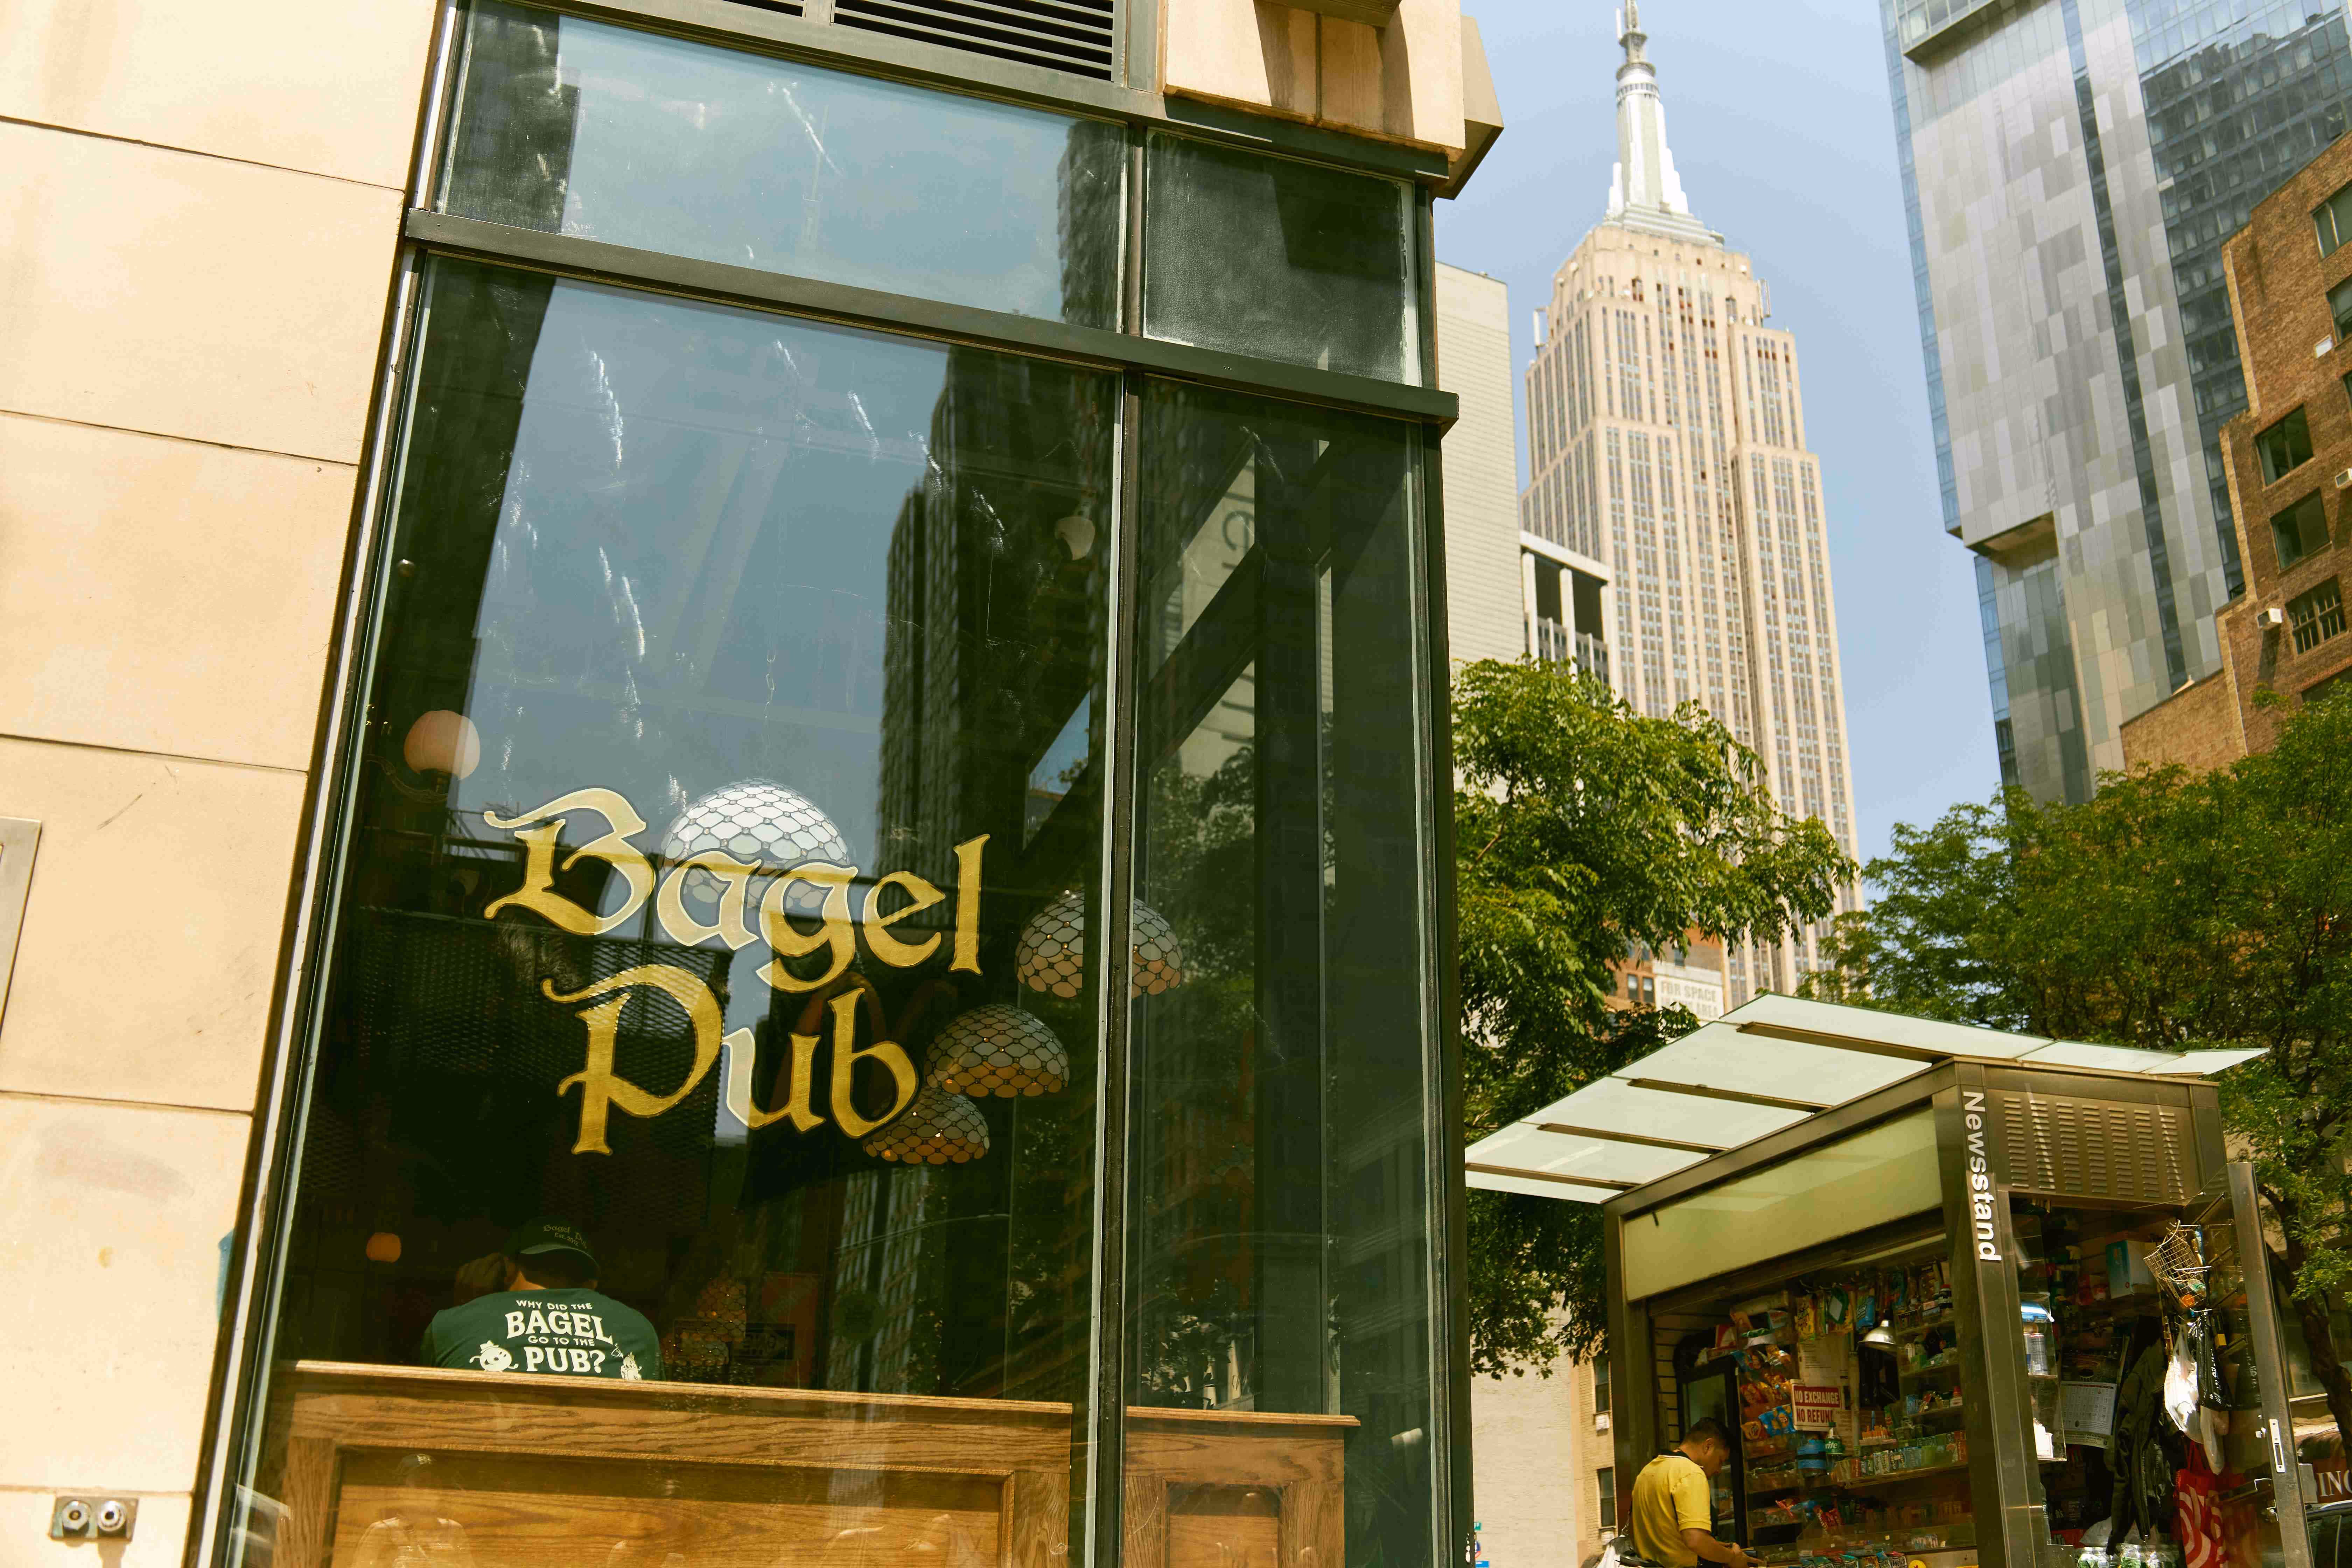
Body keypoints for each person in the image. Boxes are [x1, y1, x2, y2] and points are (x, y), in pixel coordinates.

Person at [419, 1221, 663, 1382]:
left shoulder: (453, 1324)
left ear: (507, 1267)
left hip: (491, 1460)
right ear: (591, 1282)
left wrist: (468, 1308)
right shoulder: (638, 1329)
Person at [1626, 1419, 1748, 1568]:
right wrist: (1733, 1558)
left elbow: (1649, 1533)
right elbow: (1696, 1540)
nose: (1719, 1470)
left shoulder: (1647, 1472)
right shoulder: (1691, 1473)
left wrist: (1713, 1547)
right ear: (1708, 1446)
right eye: (1721, 1460)